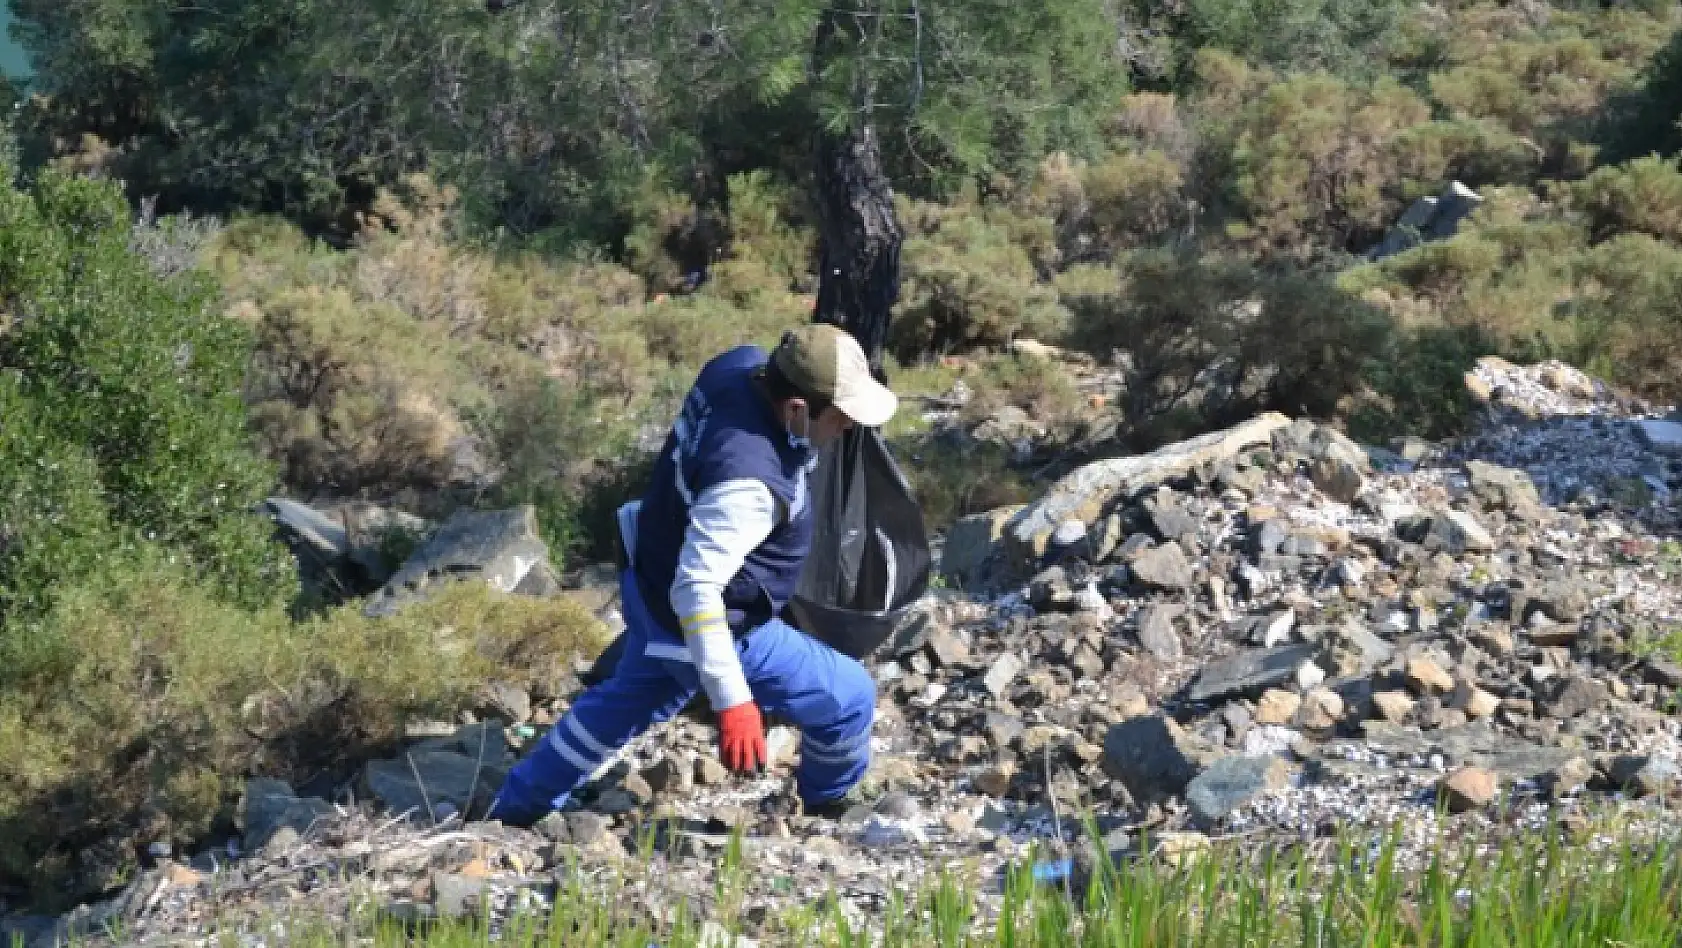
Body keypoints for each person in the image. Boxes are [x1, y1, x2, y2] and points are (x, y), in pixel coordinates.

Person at [488, 324, 899, 826]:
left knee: (625, 701)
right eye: (839, 418)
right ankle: (829, 803)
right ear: (795, 409)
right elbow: (698, 590)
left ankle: (515, 807)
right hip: (706, 617)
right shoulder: (746, 484)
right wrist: (734, 703)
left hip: (650, 576)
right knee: (849, 696)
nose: (847, 429)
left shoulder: (738, 366)